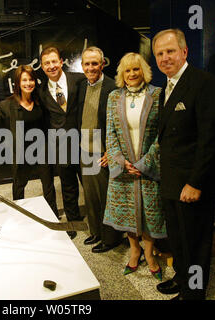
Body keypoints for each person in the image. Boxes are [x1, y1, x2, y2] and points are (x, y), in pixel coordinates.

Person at [152, 29, 215, 300]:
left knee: (195, 242)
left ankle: (193, 293)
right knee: (178, 238)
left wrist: (195, 182)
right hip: (171, 181)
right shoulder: (166, 89)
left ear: (184, 52)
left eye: (170, 51)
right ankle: (182, 277)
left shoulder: (204, 83)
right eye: (159, 53)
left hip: (192, 183)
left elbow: (212, 139)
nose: (164, 58)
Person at [103, 52, 165, 281]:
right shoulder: (113, 97)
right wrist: (120, 160)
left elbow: (162, 133)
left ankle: (149, 254)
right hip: (124, 168)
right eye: (127, 70)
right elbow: (109, 132)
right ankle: (134, 251)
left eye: (136, 69)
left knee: (149, 212)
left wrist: (145, 163)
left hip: (148, 166)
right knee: (129, 212)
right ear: (122, 74)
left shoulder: (157, 94)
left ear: (144, 71)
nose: (131, 74)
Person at [0, 65, 59, 217]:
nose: (28, 83)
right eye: (24, 80)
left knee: (48, 186)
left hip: (42, 149)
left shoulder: (41, 100)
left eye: (31, 79)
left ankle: (53, 215)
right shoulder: (7, 105)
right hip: (21, 151)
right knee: (19, 186)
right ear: (18, 83)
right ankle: (20, 216)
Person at [77, 46, 123, 253]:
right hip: (84, 148)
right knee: (90, 196)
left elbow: (121, 124)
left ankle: (111, 238)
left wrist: (111, 151)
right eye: (87, 64)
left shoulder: (113, 88)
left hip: (103, 150)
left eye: (95, 63)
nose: (91, 67)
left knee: (106, 196)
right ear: (82, 66)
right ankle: (96, 232)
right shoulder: (81, 86)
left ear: (102, 64)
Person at [38, 46, 85, 239]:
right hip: (61, 147)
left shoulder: (79, 80)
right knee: (68, 187)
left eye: (54, 61)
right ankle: (74, 223)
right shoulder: (40, 91)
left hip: (84, 144)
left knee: (91, 185)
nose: (51, 66)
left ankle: (102, 226)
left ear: (61, 61)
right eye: (47, 63)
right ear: (42, 66)